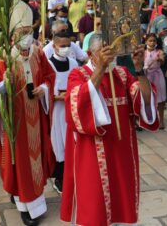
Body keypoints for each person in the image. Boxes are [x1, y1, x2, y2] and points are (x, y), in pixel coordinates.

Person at [60, 33, 159, 225]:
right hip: (92, 153)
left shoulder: (122, 74)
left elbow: (145, 100)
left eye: (112, 52)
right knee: (94, 205)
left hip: (122, 153)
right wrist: (100, 69)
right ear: (90, 53)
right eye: (104, 53)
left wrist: (139, 69)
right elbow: (77, 105)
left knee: (122, 203)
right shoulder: (78, 75)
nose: (110, 57)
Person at [0, 1, 56, 225]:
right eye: (22, 32)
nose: (26, 36)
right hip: (16, 121)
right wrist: (3, 86)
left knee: (35, 160)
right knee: (20, 163)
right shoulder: (2, 57)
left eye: (29, 31)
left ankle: (32, 200)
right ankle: (25, 207)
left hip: (36, 117)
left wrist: (45, 89)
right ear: (12, 33)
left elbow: (49, 78)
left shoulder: (38, 53)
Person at [47, 31, 78, 194]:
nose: (65, 49)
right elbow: (45, 88)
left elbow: (79, 82)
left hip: (71, 107)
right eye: (62, 46)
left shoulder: (73, 63)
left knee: (73, 142)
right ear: (54, 46)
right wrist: (58, 96)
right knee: (58, 142)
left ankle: (73, 174)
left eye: (68, 46)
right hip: (57, 110)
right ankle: (59, 177)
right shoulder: (48, 65)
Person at [144, 33, 166, 129]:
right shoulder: (143, 52)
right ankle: (150, 119)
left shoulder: (159, 52)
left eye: (154, 41)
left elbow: (162, 61)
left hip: (158, 75)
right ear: (146, 42)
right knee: (147, 98)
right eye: (150, 41)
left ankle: (161, 120)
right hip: (147, 76)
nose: (152, 43)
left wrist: (160, 59)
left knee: (160, 98)